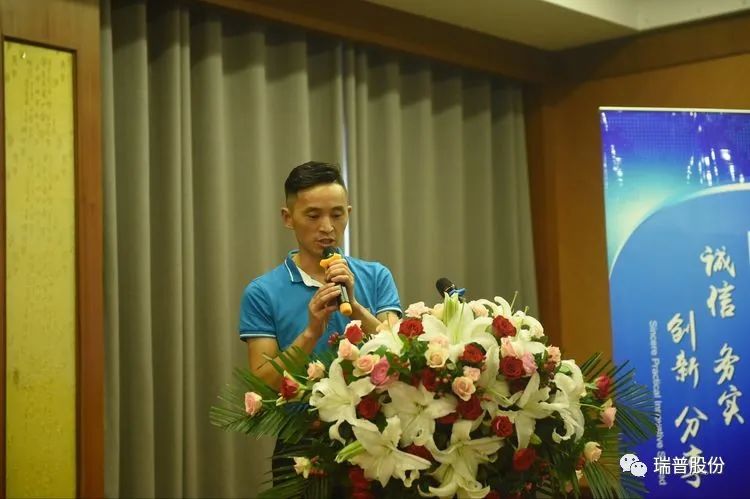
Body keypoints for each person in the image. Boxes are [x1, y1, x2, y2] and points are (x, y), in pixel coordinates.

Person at [238, 160, 402, 390]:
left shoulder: (377, 276)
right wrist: (311, 333)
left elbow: (401, 354)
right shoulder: (262, 293)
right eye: (313, 216)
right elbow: (262, 384)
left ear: (348, 213)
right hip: (301, 414)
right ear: (288, 218)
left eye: (337, 215)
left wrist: (355, 307)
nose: (327, 227)